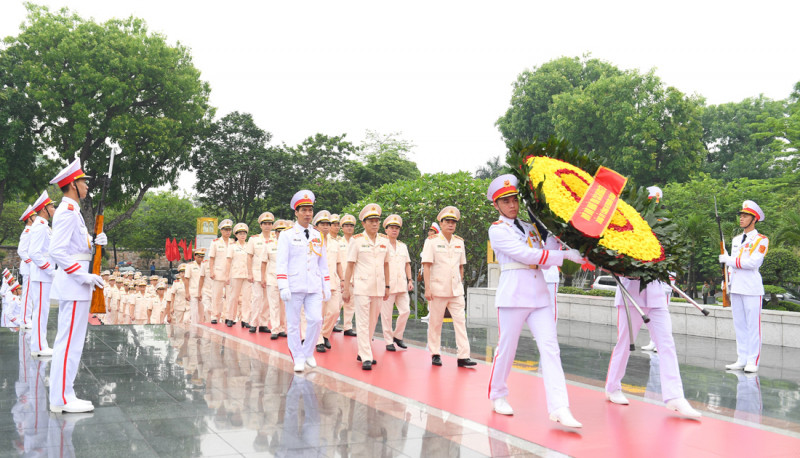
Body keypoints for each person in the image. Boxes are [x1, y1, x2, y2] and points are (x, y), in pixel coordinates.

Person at [485, 174, 585, 427]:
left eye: (514, 200)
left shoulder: (530, 227)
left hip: (539, 296)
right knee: (506, 349)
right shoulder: (497, 230)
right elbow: (526, 254)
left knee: (551, 349)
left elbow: (544, 247)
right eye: (505, 201)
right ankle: (498, 394)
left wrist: (556, 231)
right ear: (496, 205)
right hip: (514, 296)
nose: (512, 205)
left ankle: (560, 407)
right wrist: (562, 257)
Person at [605, 187, 701, 418]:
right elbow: (612, 258)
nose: (654, 207)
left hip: (656, 295)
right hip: (632, 294)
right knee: (625, 342)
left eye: (657, 203)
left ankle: (675, 397)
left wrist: (666, 274)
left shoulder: (664, 228)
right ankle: (613, 386)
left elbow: (672, 257)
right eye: (650, 203)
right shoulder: (626, 226)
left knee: (666, 343)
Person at [48, 158, 107, 413]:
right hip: (74, 284)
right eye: (83, 182)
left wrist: (95, 242)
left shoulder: (74, 212)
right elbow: (57, 251)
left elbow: (77, 249)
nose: (86, 187)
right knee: (68, 342)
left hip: (77, 285)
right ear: (73, 184)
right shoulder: (67, 212)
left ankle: (65, 392)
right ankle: (61, 398)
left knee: (73, 342)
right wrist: (83, 276)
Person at [276, 191, 331, 372]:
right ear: (296, 212)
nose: (308, 214)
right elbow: (282, 262)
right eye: (304, 210)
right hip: (294, 285)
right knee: (293, 324)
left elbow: (322, 263)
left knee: (316, 320)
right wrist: (283, 285)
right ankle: (298, 357)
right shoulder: (286, 235)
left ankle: (307, 352)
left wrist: (326, 285)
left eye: (310, 210)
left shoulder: (317, 235)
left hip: (314, 286)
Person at [421, 206, 477, 368]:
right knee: (435, 323)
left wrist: (460, 280)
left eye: (453, 222)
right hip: (438, 289)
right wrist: (428, 288)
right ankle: (435, 353)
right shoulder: (431, 242)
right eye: (447, 222)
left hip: (456, 290)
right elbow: (427, 265)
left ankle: (463, 355)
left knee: (460, 322)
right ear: (441, 222)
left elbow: (461, 266)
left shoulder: (459, 242)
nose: (451, 225)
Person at [720, 200, 769, 373]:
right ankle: (741, 358)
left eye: (745, 216)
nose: (741, 218)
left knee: (753, 326)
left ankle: (752, 360)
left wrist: (729, 260)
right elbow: (732, 267)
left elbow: (753, 262)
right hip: (736, 287)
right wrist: (727, 280)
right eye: (741, 215)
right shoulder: (734, 240)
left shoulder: (761, 240)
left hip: (752, 288)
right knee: (739, 325)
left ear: (754, 219)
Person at [342, 204, 390, 370]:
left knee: (371, 322)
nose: (375, 224)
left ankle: (364, 350)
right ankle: (366, 356)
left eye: (377, 220)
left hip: (378, 287)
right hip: (362, 287)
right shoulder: (356, 241)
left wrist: (387, 286)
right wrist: (346, 288)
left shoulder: (384, 241)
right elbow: (349, 266)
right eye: (371, 221)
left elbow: (386, 265)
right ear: (363, 223)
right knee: (362, 322)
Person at [28, 191, 56, 357]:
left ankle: (40, 344)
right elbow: (34, 253)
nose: (53, 208)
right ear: (44, 209)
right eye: (51, 206)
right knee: (40, 311)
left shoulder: (44, 226)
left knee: (42, 310)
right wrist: (50, 270)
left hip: (42, 275)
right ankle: (39, 346)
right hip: (41, 275)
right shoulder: (40, 227)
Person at [380, 214, 412, 352]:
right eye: (392, 228)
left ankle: (397, 336)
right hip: (387, 285)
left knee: (405, 311)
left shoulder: (402, 246)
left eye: (397, 228)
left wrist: (410, 280)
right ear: (386, 230)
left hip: (402, 285)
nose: (394, 230)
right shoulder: (381, 245)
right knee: (386, 315)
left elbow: (407, 264)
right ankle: (388, 341)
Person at [312, 210, 343, 352]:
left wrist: (342, 279)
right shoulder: (311, 241)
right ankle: (318, 340)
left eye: (327, 224)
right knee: (318, 314)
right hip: (317, 282)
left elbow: (338, 263)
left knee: (334, 312)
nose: (325, 226)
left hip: (333, 281)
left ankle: (325, 334)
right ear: (316, 226)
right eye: (322, 224)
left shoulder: (335, 243)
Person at [247, 212, 274, 334]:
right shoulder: (254, 239)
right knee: (257, 298)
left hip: (271, 274)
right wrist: (249, 273)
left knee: (268, 300)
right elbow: (249, 257)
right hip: (257, 273)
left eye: (269, 224)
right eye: (265, 224)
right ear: (261, 225)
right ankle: (253, 323)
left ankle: (263, 323)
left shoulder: (276, 239)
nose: (267, 226)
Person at [261, 220, 287, 340]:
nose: (280, 234)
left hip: (286, 280)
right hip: (272, 278)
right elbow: (263, 262)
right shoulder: (269, 245)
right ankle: (275, 329)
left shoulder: (290, 245)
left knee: (284, 306)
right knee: (274, 305)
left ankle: (282, 328)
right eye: (278, 232)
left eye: (283, 231)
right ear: (275, 233)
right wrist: (263, 277)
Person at [224, 223, 253, 328]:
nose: (242, 235)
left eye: (244, 233)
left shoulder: (249, 246)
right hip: (235, 274)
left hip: (247, 275)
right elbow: (228, 261)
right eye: (240, 233)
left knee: (247, 298)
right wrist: (227, 276)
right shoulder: (232, 247)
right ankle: (230, 318)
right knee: (233, 297)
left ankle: (245, 319)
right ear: (236, 235)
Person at [207, 219, 233, 324]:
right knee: (216, 295)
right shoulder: (215, 243)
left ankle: (227, 316)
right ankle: (214, 316)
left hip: (231, 273)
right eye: (225, 230)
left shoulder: (233, 242)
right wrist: (211, 271)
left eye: (229, 230)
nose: (227, 232)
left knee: (230, 296)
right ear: (221, 231)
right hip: (218, 272)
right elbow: (211, 258)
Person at [338, 214, 358, 336]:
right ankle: (328, 326)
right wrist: (340, 278)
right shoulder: (338, 242)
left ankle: (347, 327)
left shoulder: (357, 242)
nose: (349, 228)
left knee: (351, 304)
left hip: (354, 278)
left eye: (351, 226)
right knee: (336, 306)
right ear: (342, 228)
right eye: (347, 226)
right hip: (340, 278)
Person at [17, 205, 36, 329]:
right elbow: (21, 251)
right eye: (34, 216)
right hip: (28, 268)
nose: (37, 217)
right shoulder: (27, 232)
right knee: (27, 295)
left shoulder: (32, 231)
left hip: (31, 268)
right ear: (30, 219)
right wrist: (32, 263)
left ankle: (27, 318)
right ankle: (24, 320)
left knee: (30, 295)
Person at [184, 248, 204, 324]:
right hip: (193, 291)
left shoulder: (205, 265)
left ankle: (202, 329)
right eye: (199, 257)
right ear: (195, 256)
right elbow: (186, 279)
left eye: (202, 257)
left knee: (203, 312)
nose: (200, 258)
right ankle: (194, 328)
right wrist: (187, 292)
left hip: (203, 292)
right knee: (194, 312)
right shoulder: (190, 266)